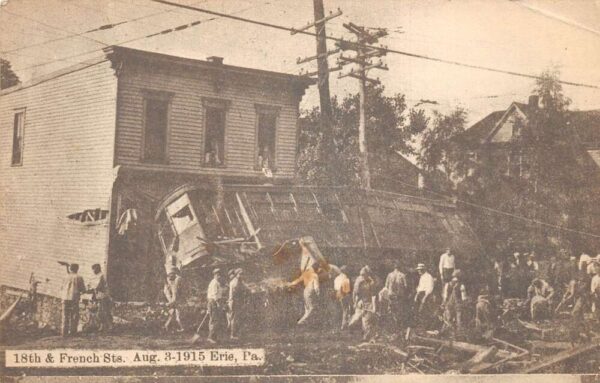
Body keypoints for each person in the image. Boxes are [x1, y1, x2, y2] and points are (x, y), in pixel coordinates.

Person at [287, 239, 321, 326]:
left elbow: (297, 280)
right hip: (309, 291)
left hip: (305, 291)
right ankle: (301, 322)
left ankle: (305, 322)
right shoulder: (314, 275)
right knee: (312, 308)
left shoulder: (306, 273)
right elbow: (316, 287)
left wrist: (290, 284)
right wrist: (318, 293)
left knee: (307, 308)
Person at [349, 265, 378, 341]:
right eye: (361, 275)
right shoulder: (359, 281)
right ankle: (351, 327)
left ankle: (366, 337)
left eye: (363, 275)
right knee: (356, 319)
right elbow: (356, 293)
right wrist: (355, 302)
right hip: (361, 302)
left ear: (367, 274)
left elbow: (373, 295)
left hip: (369, 302)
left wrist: (374, 306)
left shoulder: (371, 282)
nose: (362, 276)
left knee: (366, 320)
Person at [60, 263, 86, 337]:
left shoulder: (65, 276)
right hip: (74, 298)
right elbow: (82, 289)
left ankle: (64, 332)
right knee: (74, 315)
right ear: (77, 269)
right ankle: (73, 332)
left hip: (65, 298)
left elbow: (62, 287)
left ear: (70, 269)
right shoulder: (79, 277)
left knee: (65, 315)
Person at [206, 268, 228, 343]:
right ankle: (210, 337)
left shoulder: (217, 282)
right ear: (215, 275)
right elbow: (215, 295)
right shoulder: (214, 283)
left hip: (214, 302)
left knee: (215, 320)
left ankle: (214, 337)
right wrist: (218, 304)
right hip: (213, 302)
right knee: (214, 320)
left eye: (220, 275)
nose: (219, 276)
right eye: (217, 275)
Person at [88, 264, 112, 332]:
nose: (93, 271)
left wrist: (91, 289)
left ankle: (108, 326)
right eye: (93, 269)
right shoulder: (95, 276)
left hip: (103, 295)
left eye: (94, 269)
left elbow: (98, 286)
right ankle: (103, 325)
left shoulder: (101, 276)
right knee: (100, 311)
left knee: (103, 311)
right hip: (98, 295)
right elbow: (90, 284)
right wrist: (89, 287)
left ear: (98, 269)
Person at [384, 262, 408, 329]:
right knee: (399, 309)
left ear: (393, 267)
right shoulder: (403, 275)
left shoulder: (389, 275)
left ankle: (392, 325)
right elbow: (406, 286)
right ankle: (398, 325)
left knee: (391, 309)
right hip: (399, 295)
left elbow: (386, 286)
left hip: (391, 294)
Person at [228, 268, 248, 340]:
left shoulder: (240, 281)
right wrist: (231, 303)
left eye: (242, 274)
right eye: (240, 274)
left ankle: (237, 334)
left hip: (239, 301)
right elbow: (233, 294)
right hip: (235, 302)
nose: (241, 275)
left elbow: (245, 287)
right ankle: (232, 334)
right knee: (234, 318)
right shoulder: (234, 282)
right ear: (237, 274)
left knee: (238, 318)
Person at [414, 263, 435, 328]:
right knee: (418, 311)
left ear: (423, 269)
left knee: (423, 310)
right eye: (418, 270)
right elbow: (420, 287)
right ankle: (421, 326)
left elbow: (430, 288)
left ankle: (425, 326)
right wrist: (416, 295)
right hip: (420, 295)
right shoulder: (422, 277)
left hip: (426, 295)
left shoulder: (429, 277)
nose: (418, 271)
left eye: (420, 270)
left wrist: (425, 297)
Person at [334, 265, 352, 330]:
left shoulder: (337, 278)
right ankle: (344, 325)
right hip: (343, 294)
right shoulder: (346, 278)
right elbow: (347, 290)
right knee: (345, 310)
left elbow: (335, 287)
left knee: (338, 310)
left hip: (337, 294)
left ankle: (337, 324)